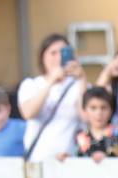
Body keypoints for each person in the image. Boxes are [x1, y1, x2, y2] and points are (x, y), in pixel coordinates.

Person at [19, 34, 85, 162]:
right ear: (42, 57)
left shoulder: (78, 85)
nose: (58, 57)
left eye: (63, 52)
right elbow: (28, 113)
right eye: (53, 53)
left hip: (68, 159)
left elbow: (85, 116)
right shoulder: (31, 84)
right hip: (38, 159)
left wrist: (82, 78)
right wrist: (51, 81)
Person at [65, 87, 118, 161]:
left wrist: (107, 159)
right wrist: (66, 158)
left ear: (111, 110)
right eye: (93, 108)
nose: (99, 113)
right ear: (84, 110)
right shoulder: (80, 136)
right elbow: (74, 159)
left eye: (103, 108)